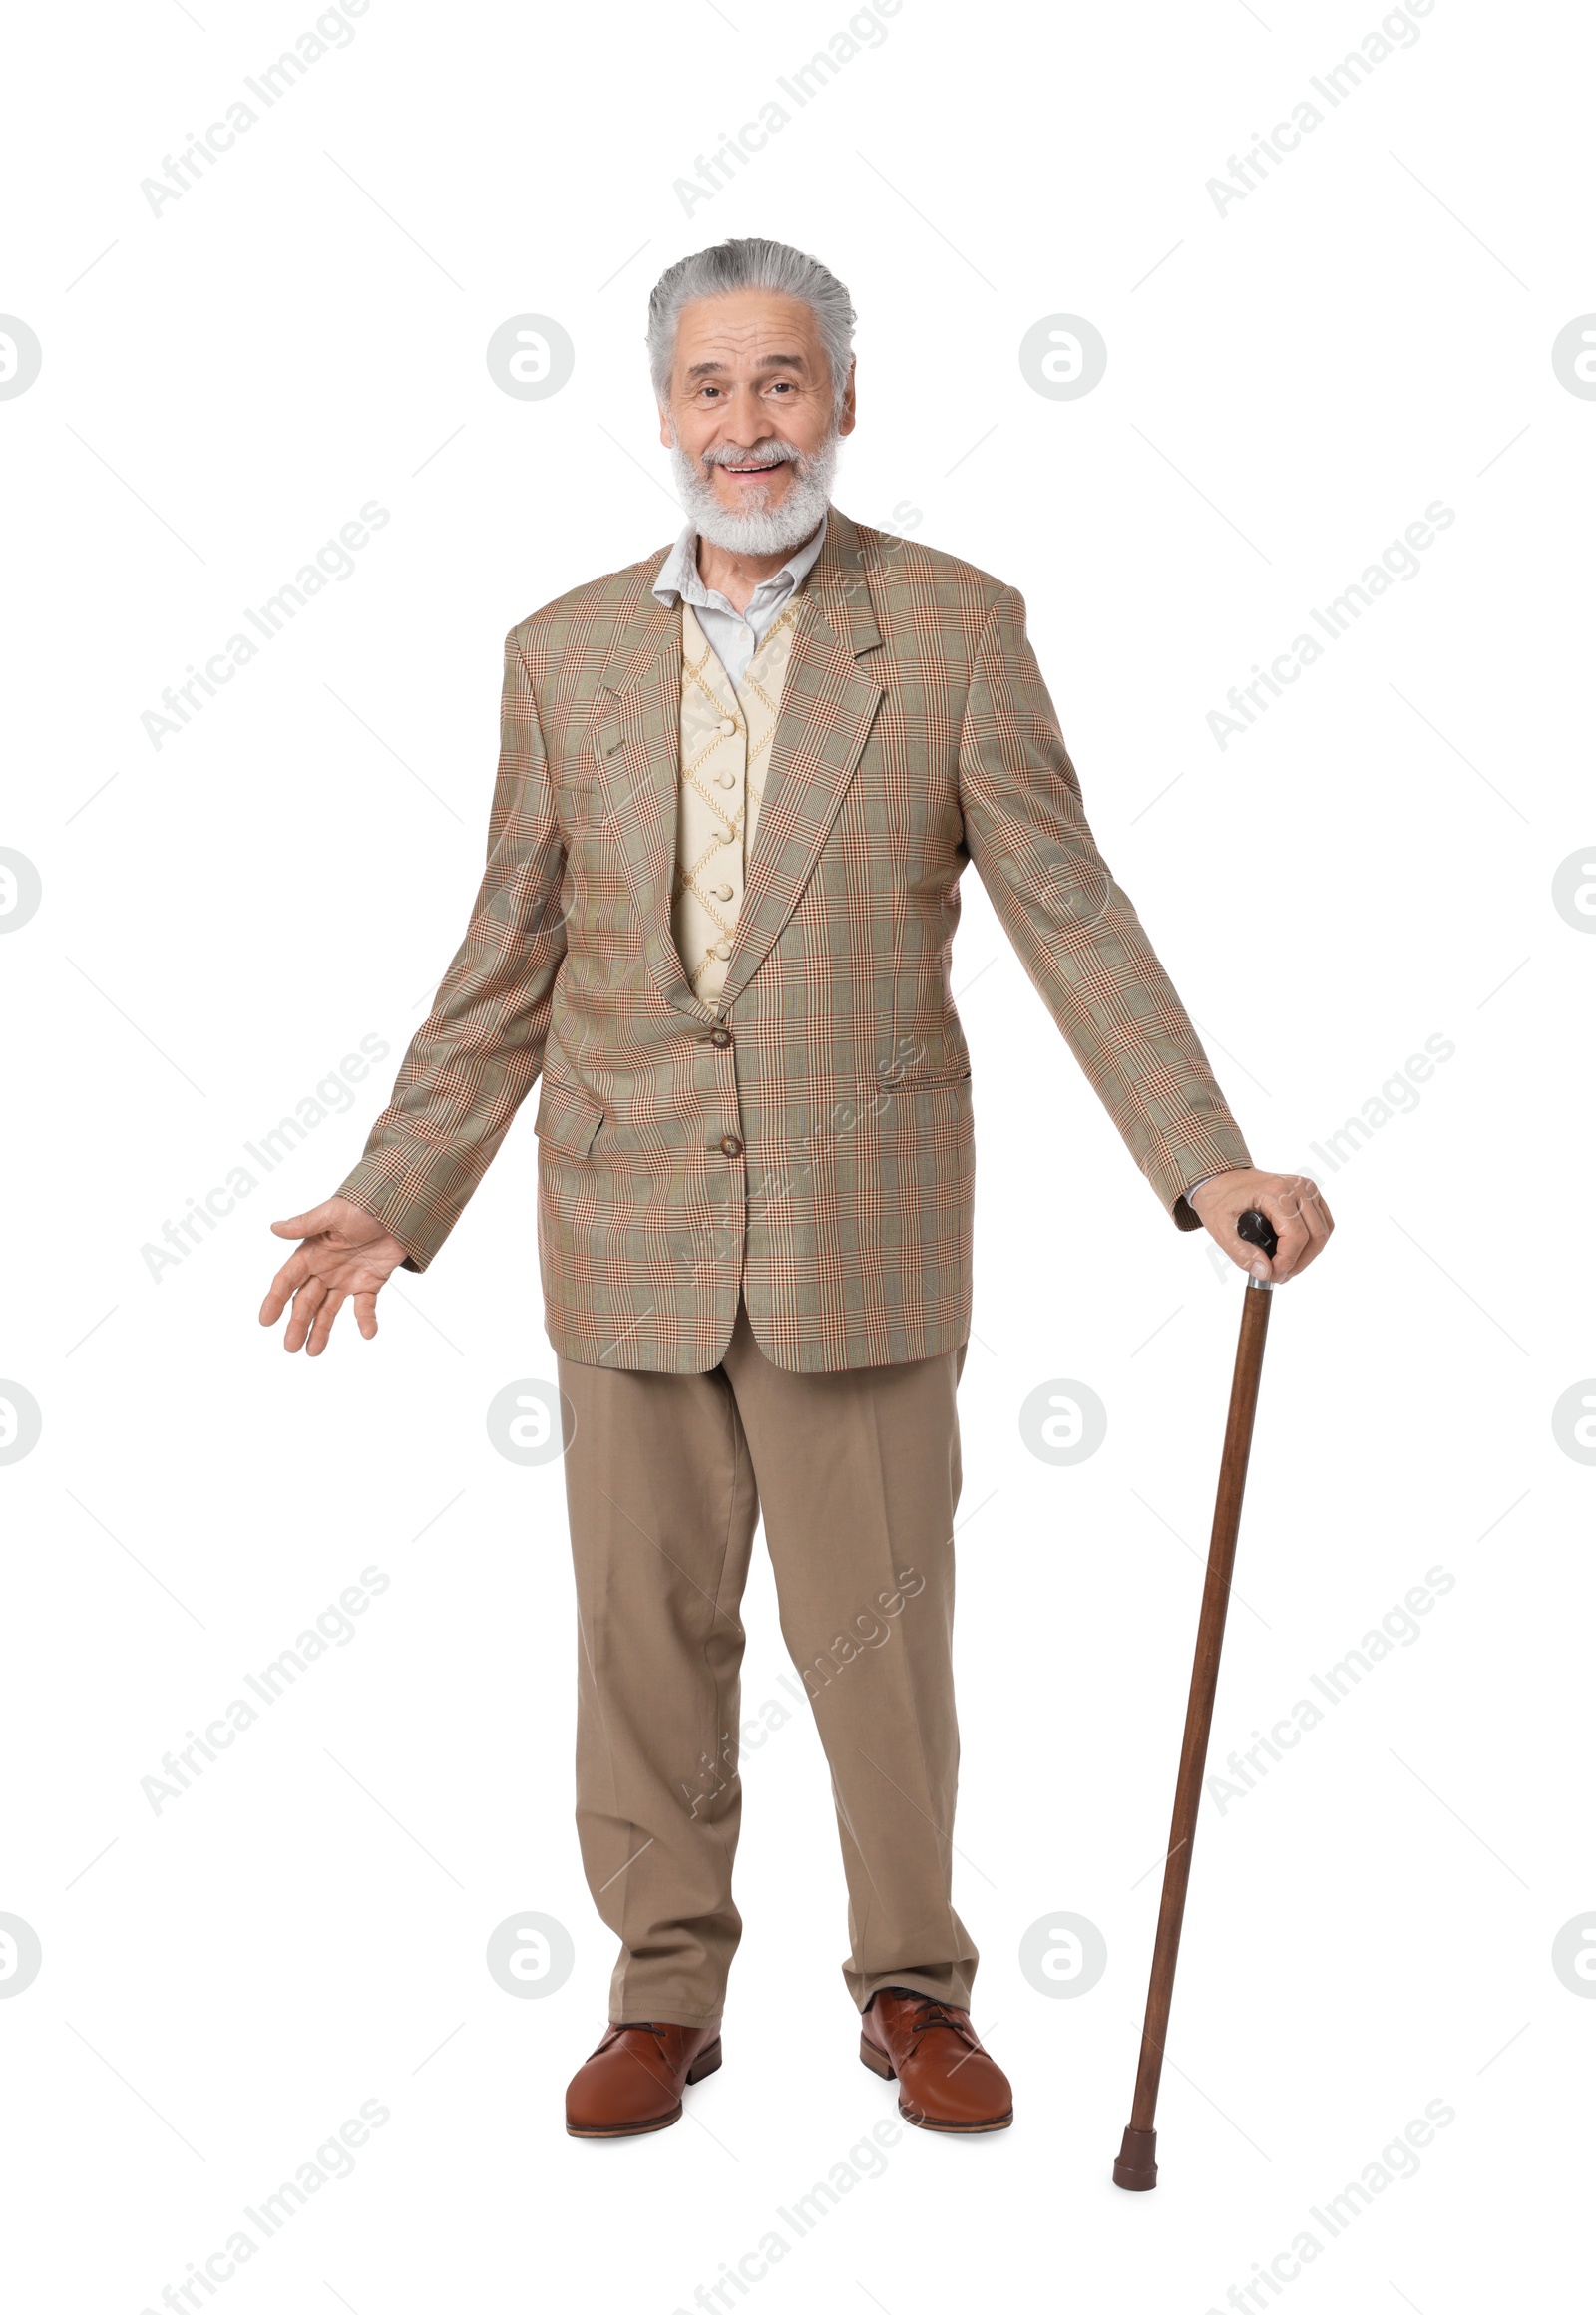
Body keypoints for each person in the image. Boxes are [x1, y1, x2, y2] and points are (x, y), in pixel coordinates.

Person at [259, 236, 1333, 2140]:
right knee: (639, 1640)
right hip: (626, 1227)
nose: (745, 427)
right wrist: (392, 1190)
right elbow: (505, 959)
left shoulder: (957, 630)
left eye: (781, 384)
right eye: (708, 388)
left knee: (881, 1641)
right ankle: (663, 1991)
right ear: (661, 408)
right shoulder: (561, 651)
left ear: (845, 395)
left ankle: (913, 1985)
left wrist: (1202, 1154)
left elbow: (1070, 915)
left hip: (864, 1231)